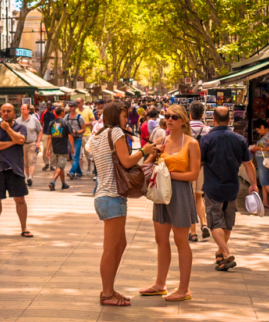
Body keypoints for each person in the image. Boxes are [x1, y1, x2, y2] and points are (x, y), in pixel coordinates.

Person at [89, 101, 159, 306]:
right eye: (123, 115)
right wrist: (144, 151)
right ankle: (107, 293)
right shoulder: (116, 133)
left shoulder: (97, 136)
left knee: (120, 245)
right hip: (112, 196)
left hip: (104, 195)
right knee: (111, 248)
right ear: (114, 116)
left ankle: (109, 289)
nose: (126, 119)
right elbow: (127, 161)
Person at [140, 105, 200, 302]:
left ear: (184, 121)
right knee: (161, 239)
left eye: (175, 117)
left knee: (181, 240)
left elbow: (193, 174)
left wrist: (168, 175)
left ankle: (184, 289)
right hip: (161, 193)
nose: (170, 120)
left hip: (180, 193)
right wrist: (155, 153)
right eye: (167, 117)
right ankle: (160, 283)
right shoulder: (161, 140)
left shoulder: (191, 143)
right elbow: (146, 166)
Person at [199, 105, 257, 272]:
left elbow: (199, 163)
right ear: (230, 120)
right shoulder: (239, 140)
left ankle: (226, 253)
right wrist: (253, 184)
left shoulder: (207, 140)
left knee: (215, 221)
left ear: (214, 120)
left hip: (212, 187)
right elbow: (248, 164)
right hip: (232, 188)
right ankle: (221, 254)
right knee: (228, 221)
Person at [0, 103, 31, 238]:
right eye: (3, 111)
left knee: (20, 199)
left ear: (14, 113)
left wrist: (8, 130)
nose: (6, 113)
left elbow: (21, 140)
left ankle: (24, 228)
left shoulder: (21, 127)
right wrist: (13, 141)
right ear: (0, 113)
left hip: (16, 169)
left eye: (9, 111)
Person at [188, 101, 211, 240]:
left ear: (190, 114)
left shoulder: (184, 129)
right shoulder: (208, 130)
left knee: (189, 199)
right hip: (202, 167)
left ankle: (193, 232)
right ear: (203, 114)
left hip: (188, 168)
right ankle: (203, 223)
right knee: (199, 197)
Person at [249, 119, 269, 209]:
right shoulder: (266, 135)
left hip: (265, 159)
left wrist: (258, 148)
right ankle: (265, 201)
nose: (258, 131)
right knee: (263, 181)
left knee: (264, 181)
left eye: (258, 129)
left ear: (262, 127)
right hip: (261, 158)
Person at [47, 105, 72, 190]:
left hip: (55, 148)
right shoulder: (66, 123)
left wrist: (47, 149)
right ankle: (52, 182)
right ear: (62, 113)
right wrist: (72, 147)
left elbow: (49, 137)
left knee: (60, 165)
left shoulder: (51, 123)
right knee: (60, 166)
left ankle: (63, 183)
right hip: (63, 148)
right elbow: (70, 136)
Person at [19, 103, 42, 188]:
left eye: (23, 109)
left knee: (31, 161)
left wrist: (38, 142)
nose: (22, 111)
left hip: (32, 143)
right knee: (25, 162)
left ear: (28, 110)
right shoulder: (18, 120)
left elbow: (40, 130)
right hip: (21, 145)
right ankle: (28, 178)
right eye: (21, 109)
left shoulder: (34, 119)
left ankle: (30, 177)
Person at [65, 101, 85, 178]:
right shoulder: (66, 117)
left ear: (76, 107)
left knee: (75, 156)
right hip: (69, 139)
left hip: (77, 138)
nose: (70, 108)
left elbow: (83, 129)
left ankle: (72, 172)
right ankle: (79, 172)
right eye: (69, 106)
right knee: (72, 156)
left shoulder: (80, 117)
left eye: (72, 106)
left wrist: (76, 132)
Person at [39, 101, 56, 171]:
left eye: (50, 104)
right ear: (46, 105)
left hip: (54, 132)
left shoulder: (55, 113)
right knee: (46, 148)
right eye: (47, 105)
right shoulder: (43, 113)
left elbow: (58, 121)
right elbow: (41, 122)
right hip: (45, 132)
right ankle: (46, 163)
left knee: (53, 149)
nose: (48, 106)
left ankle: (52, 164)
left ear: (51, 105)